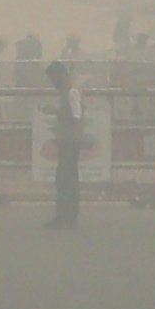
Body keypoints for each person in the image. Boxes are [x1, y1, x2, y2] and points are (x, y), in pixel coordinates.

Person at [47, 60, 85, 228]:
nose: (53, 83)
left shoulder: (71, 92)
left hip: (70, 142)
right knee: (65, 180)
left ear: (60, 76)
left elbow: (77, 116)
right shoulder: (67, 92)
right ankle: (65, 216)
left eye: (53, 79)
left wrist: (73, 139)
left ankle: (68, 217)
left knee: (66, 180)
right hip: (68, 141)